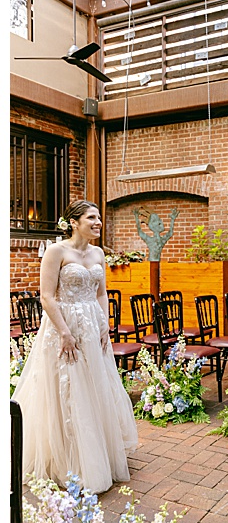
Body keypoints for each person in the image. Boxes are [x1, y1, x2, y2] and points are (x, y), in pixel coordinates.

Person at [13, 200, 138, 494]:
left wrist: (105, 324)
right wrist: (65, 333)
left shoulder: (98, 253)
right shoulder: (56, 252)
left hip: (93, 327)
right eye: (91, 218)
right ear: (74, 222)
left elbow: (101, 292)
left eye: (99, 218)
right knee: (70, 389)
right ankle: (69, 461)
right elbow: (46, 297)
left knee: (95, 386)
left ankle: (98, 455)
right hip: (63, 327)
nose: (98, 222)